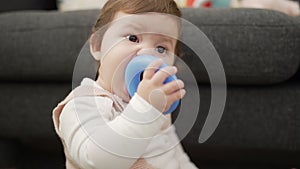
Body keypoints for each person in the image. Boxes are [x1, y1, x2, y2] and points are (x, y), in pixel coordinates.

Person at [52, 0, 198, 168]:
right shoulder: (81, 104)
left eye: (161, 48)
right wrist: (144, 109)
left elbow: (176, 156)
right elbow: (97, 160)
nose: (146, 52)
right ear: (97, 45)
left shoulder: (158, 106)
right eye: (133, 38)